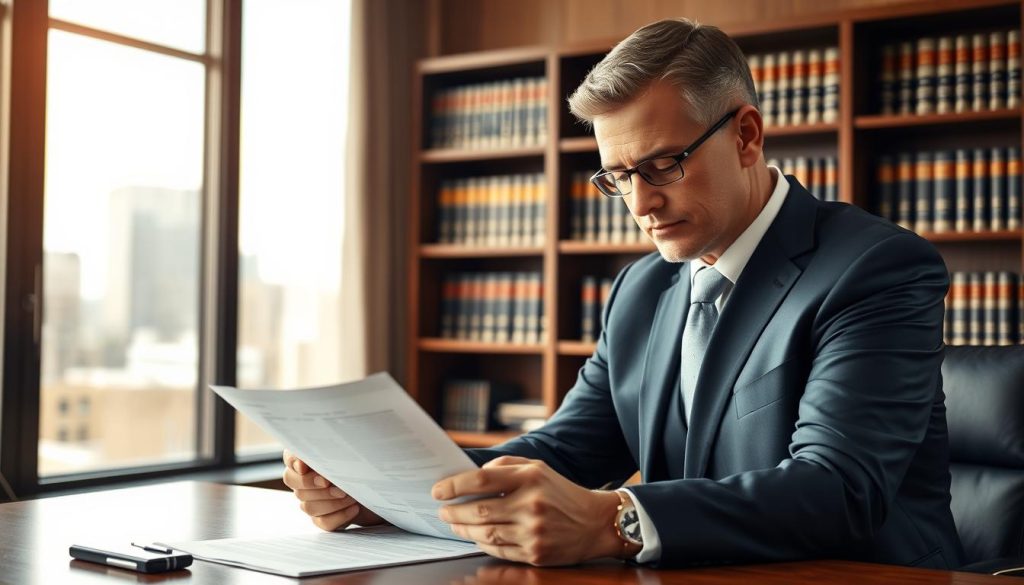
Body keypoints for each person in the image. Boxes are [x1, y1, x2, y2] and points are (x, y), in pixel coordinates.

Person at [283, 17, 965, 569]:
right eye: (617, 175)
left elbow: (837, 489)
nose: (640, 201)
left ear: (747, 136)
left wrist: (618, 518)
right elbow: (570, 451)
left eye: (662, 163)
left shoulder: (876, 267)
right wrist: (388, 489)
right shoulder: (643, 287)